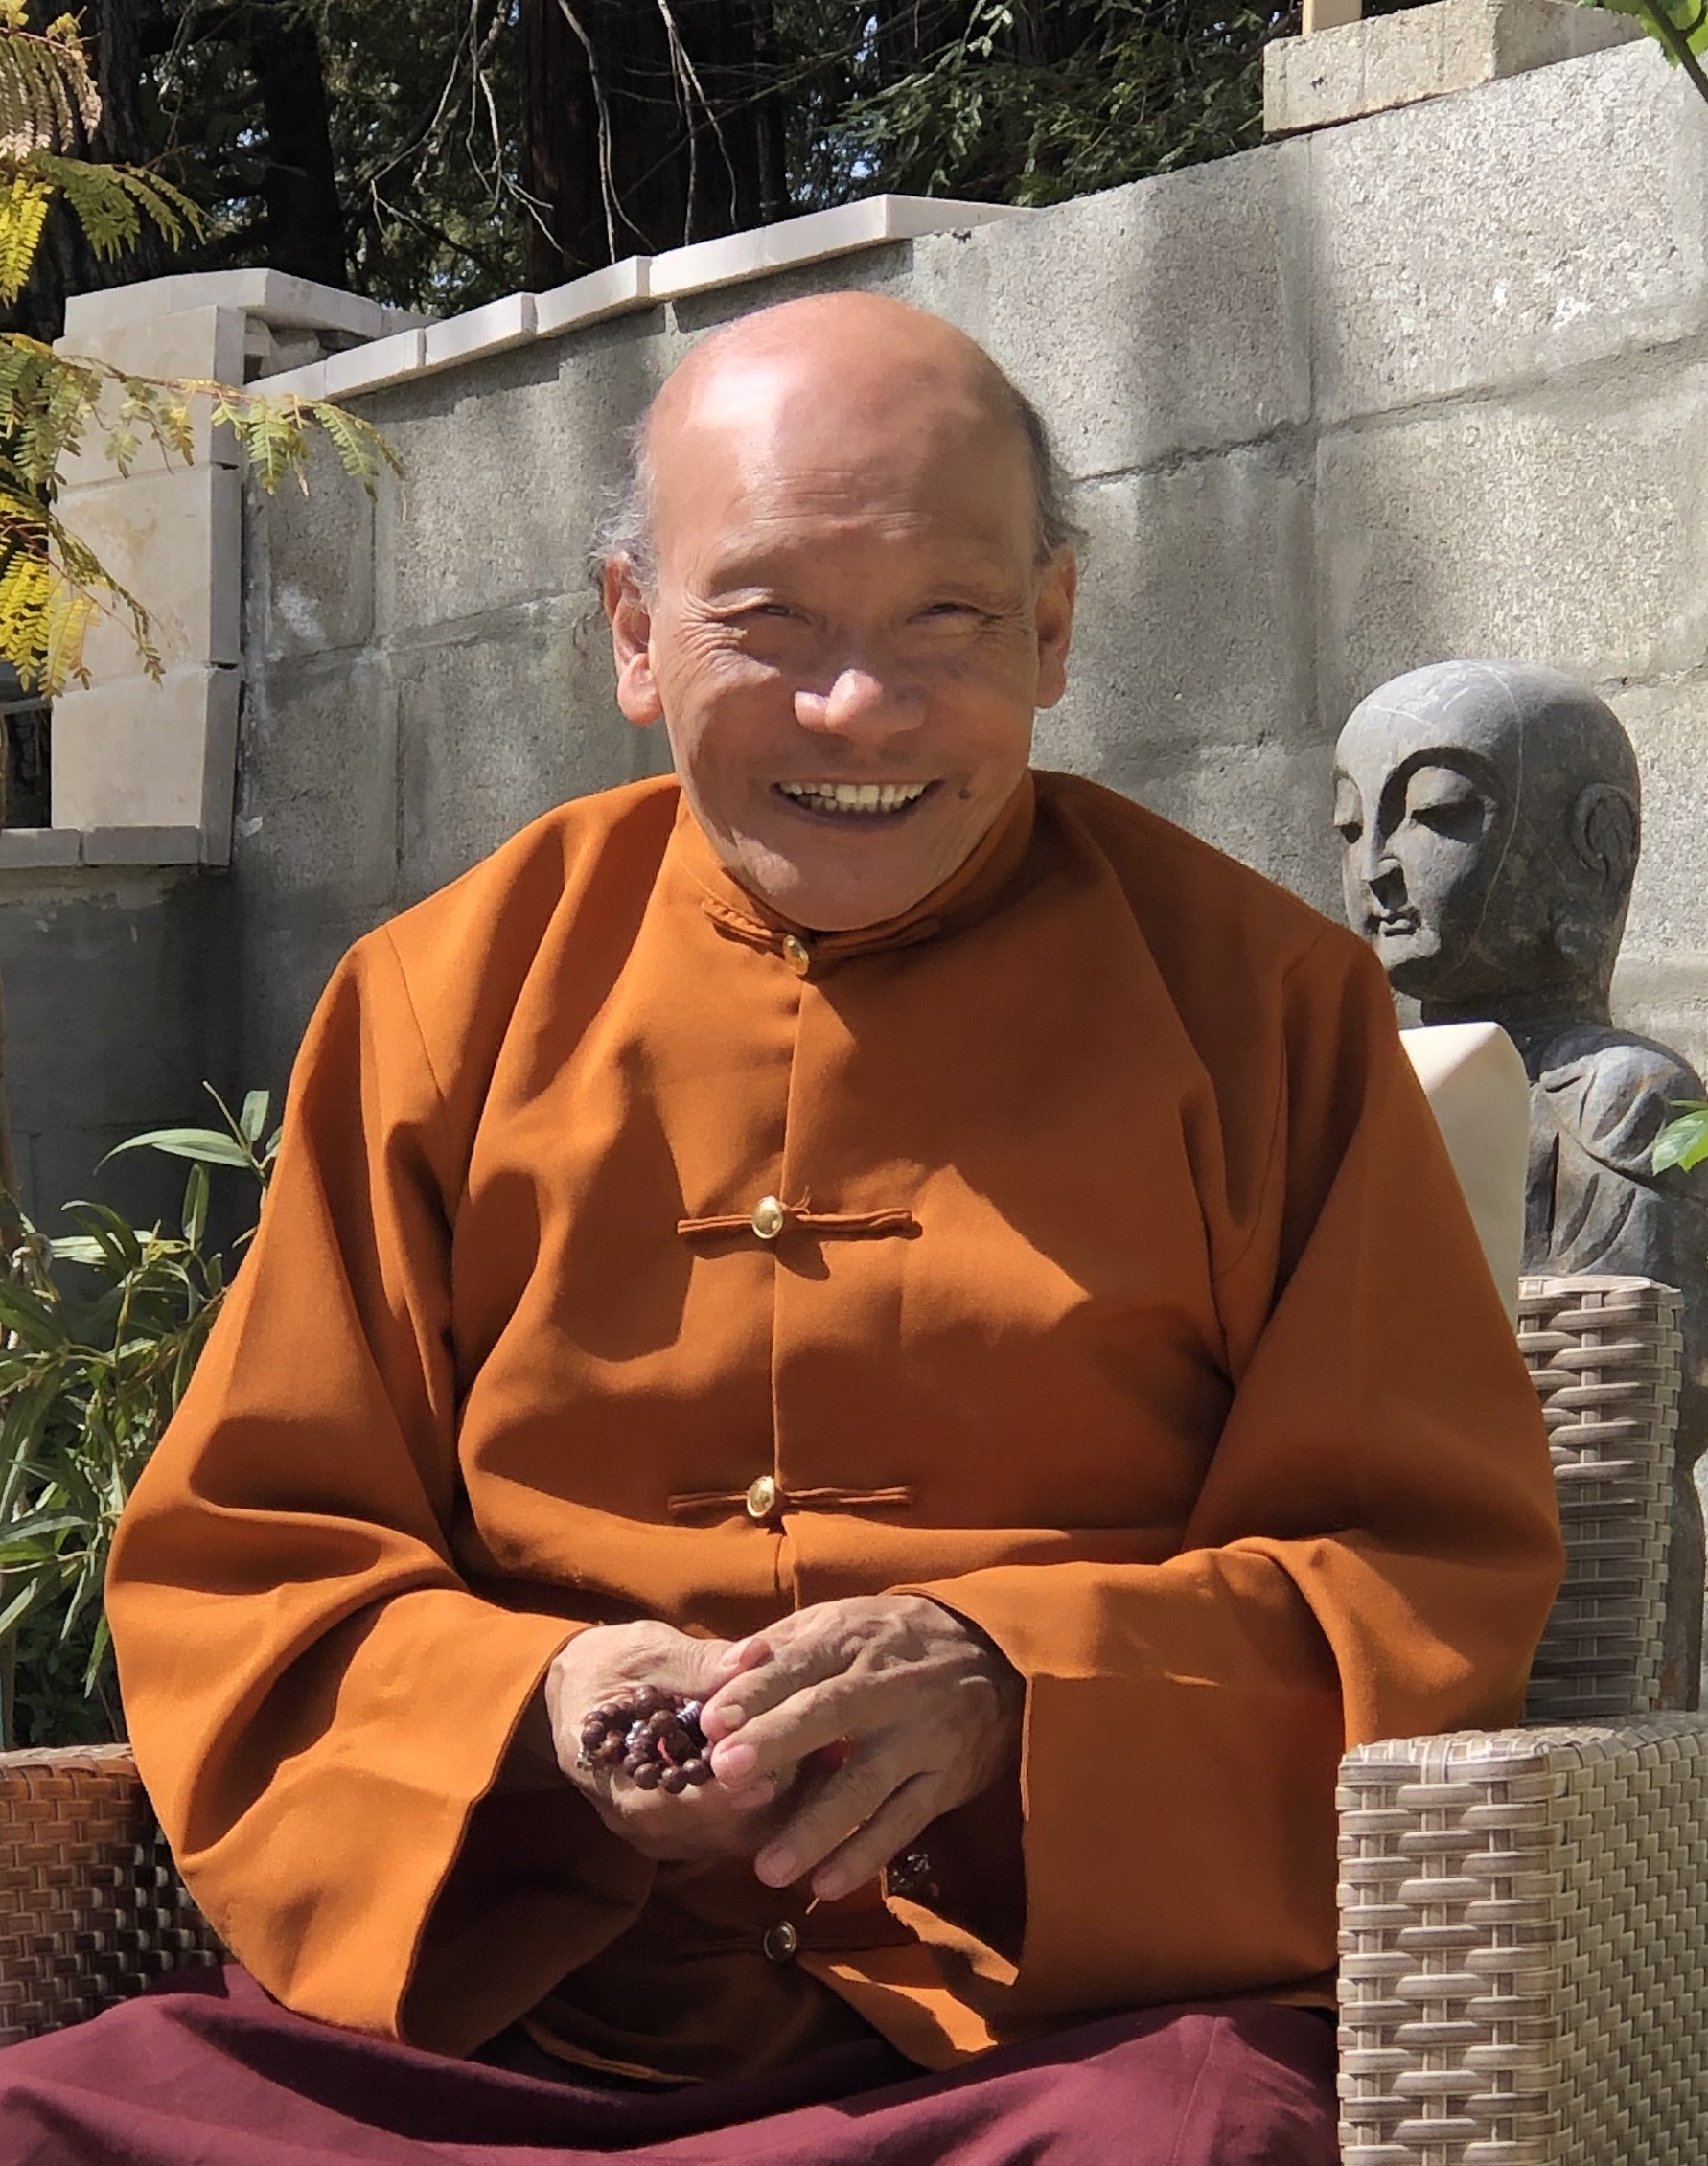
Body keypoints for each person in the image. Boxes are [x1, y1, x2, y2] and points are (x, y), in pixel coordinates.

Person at [0, 296, 1562, 2165]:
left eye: (946, 619)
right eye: (769, 620)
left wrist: (1011, 1683)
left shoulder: (1265, 1010)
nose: (857, 708)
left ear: (1053, 628)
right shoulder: (441, 1002)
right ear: (636, 633)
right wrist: (540, 1701)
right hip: (500, 2028)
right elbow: (249, 1561)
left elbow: (1420, 1578)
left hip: (1032, 2032)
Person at [1334, 657, 1708, 1704]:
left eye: (1438, 815)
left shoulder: (1644, 1099)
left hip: (1588, 1562)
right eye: (1353, 827)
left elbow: (1662, 1371)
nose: (1381, 869)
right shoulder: (1351, 1085)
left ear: (1592, 848)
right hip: (1387, 1565)